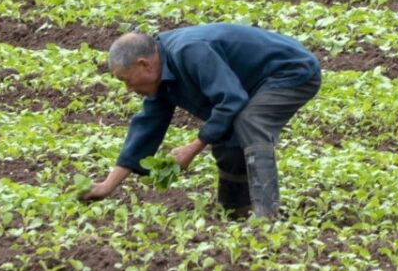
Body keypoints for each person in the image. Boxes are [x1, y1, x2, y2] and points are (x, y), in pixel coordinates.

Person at [80, 23, 321, 219]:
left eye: (126, 79)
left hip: (292, 71)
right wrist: (107, 185)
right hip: (258, 81)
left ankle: (267, 213)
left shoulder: (189, 51)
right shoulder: (161, 76)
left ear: (144, 64)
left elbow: (231, 100)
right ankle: (235, 210)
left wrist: (192, 149)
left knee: (249, 121)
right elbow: (146, 128)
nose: (128, 88)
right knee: (227, 128)